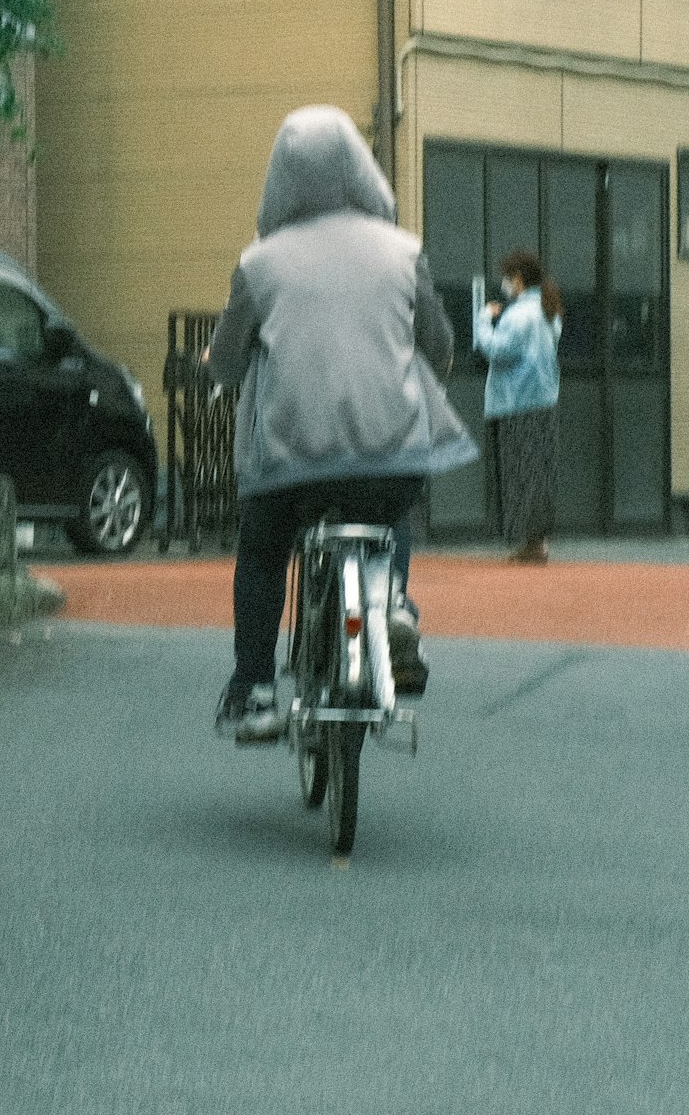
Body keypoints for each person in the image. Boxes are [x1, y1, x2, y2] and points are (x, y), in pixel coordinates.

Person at [203, 107, 480, 741]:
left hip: (292, 463)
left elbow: (226, 359)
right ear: (362, 170)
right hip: (385, 455)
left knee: (266, 549)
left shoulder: (259, 263)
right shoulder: (404, 251)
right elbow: (437, 344)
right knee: (392, 506)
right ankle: (393, 603)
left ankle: (254, 688)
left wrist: (219, 369)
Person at [471, 250, 563, 564]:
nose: (505, 284)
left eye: (508, 278)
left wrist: (483, 320)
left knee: (517, 474)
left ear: (519, 279)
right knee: (538, 473)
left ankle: (527, 543)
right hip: (544, 401)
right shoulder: (548, 309)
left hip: (514, 404)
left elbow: (497, 350)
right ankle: (538, 541)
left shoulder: (518, 315)